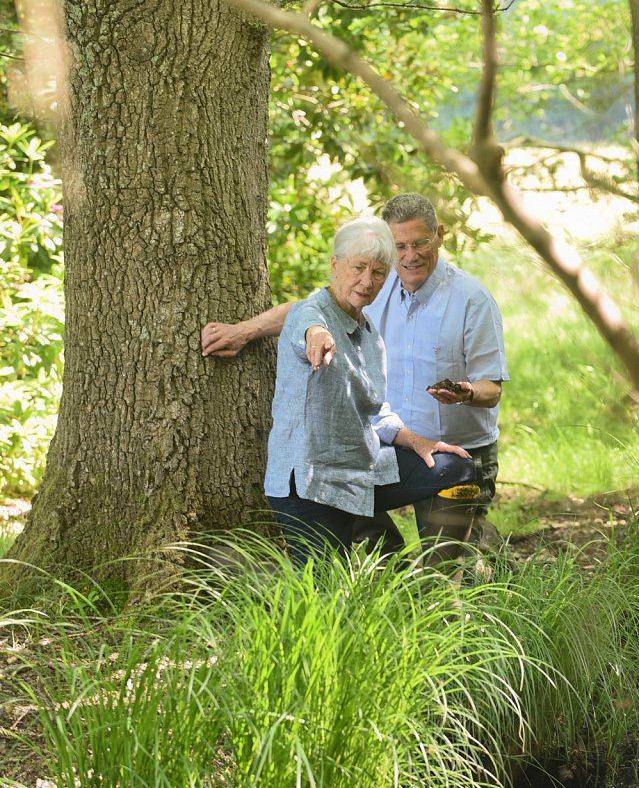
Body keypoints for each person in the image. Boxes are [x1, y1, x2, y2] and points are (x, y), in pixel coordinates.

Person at [202, 194, 508, 562]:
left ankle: (440, 591)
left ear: (439, 236)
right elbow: (304, 318)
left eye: (420, 243)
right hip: (330, 470)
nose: (409, 256)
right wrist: (249, 332)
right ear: (337, 266)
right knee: (341, 581)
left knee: (447, 563)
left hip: (416, 451)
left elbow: (381, 409)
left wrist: (444, 416)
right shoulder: (343, 303)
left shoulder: (460, 302)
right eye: (399, 248)